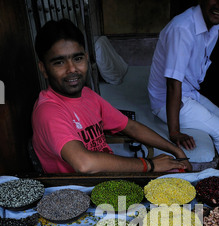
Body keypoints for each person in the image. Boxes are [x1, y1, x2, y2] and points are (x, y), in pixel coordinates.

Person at [32, 19, 191, 174]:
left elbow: (130, 126)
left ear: (87, 58)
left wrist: (175, 150)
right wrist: (149, 165)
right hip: (80, 192)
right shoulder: (48, 111)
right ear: (44, 69)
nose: (72, 69)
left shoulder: (87, 95)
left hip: (109, 181)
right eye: (59, 62)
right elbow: (84, 164)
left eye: (78, 58)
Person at [148, 0, 219, 172]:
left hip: (188, 92)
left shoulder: (213, 28)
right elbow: (173, 83)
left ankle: (218, 176)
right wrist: (175, 132)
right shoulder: (183, 28)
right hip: (165, 100)